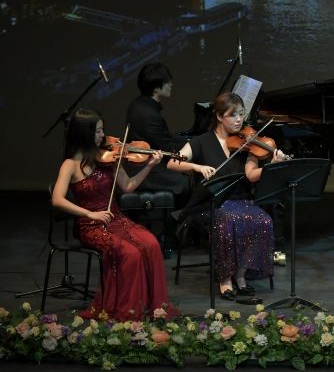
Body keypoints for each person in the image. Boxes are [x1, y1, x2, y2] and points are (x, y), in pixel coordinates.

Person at [51, 108, 176, 321]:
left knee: (152, 244)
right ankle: (126, 309)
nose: (103, 136)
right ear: (84, 133)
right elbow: (57, 199)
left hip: (116, 219)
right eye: (98, 131)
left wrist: (149, 165)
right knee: (131, 253)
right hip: (91, 226)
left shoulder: (108, 159)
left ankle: (148, 306)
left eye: (102, 130)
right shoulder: (70, 165)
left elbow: (128, 186)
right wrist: (90, 214)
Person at [167, 92, 285, 300]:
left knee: (263, 220)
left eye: (241, 114)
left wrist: (272, 166)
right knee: (227, 219)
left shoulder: (247, 143)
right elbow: (172, 162)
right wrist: (197, 166)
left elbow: (251, 175)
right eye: (233, 115)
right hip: (210, 204)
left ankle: (240, 275)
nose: (239, 120)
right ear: (220, 116)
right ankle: (224, 279)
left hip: (241, 202)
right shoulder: (201, 142)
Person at [125, 62, 191, 208]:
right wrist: (195, 145)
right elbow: (168, 147)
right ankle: (180, 217)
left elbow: (164, 137)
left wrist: (190, 141)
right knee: (185, 181)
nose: (171, 84)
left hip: (149, 161)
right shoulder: (149, 115)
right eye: (167, 82)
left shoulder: (139, 104)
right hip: (146, 168)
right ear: (156, 88)